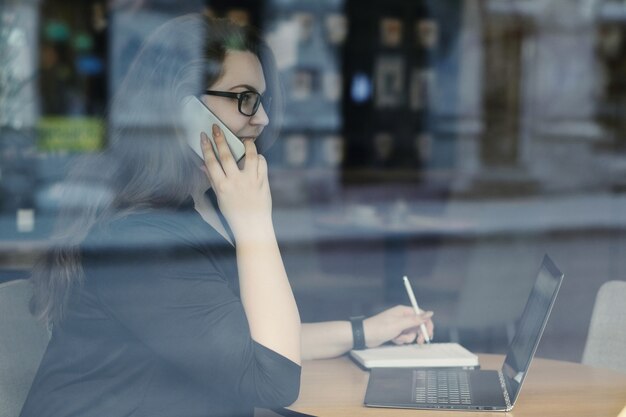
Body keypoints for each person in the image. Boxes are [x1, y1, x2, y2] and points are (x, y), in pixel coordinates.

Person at [21, 13, 434, 417]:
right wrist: (255, 223)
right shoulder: (140, 238)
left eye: (262, 100)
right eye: (245, 98)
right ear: (183, 110)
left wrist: (367, 331)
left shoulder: (203, 207)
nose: (263, 118)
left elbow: (251, 342)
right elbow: (274, 378)